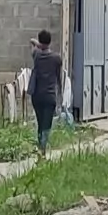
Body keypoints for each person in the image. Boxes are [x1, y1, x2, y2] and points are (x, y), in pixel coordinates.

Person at [28, 28, 65, 156]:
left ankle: (40, 147)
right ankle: (43, 148)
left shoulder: (36, 55)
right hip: (50, 96)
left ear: (40, 41)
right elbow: (59, 78)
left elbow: (31, 41)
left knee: (39, 122)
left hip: (37, 96)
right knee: (46, 124)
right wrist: (60, 94)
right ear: (50, 42)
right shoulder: (56, 59)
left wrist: (39, 44)